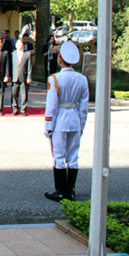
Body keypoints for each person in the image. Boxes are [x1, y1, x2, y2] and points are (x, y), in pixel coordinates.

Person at [44, 41, 89, 202]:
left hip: (60, 121)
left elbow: (52, 106)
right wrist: (81, 124)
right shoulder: (82, 79)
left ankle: (61, 191)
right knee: (73, 157)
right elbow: (83, 107)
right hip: (75, 119)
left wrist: (48, 126)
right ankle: (70, 190)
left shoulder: (55, 78)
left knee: (58, 156)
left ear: (60, 59)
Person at [11, 39, 33, 115]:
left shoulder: (27, 54)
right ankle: (15, 108)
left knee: (24, 93)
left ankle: (23, 109)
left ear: (23, 46)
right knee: (14, 93)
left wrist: (29, 77)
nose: (18, 45)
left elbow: (29, 66)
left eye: (20, 44)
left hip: (24, 76)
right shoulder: (13, 53)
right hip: (15, 76)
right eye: (17, 44)